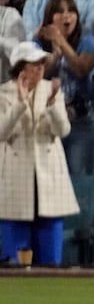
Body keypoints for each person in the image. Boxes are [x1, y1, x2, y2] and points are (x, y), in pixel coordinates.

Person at [0, 42, 75, 266]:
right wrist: (20, 105)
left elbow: (63, 130)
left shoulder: (51, 90)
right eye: (35, 64)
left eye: (42, 63)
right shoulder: (3, 93)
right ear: (21, 67)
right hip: (14, 186)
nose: (40, 68)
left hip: (49, 183)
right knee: (16, 264)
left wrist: (52, 106)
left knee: (51, 263)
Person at [34, 0, 94, 176]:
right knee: (48, 185)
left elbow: (81, 69)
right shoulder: (37, 43)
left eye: (71, 11)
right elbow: (36, 76)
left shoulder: (87, 40)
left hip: (80, 123)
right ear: (49, 18)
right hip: (46, 123)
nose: (66, 16)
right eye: (59, 11)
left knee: (79, 184)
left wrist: (61, 42)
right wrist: (55, 55)